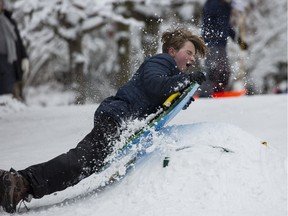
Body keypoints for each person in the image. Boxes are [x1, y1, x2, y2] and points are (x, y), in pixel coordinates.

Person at [0, 27, 207, 213]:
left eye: (194, 57)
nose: (191, 59)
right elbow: (156, 85)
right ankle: (20, 182)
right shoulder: (161, 62)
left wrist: (185, 92)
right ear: (172, 51)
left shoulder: (170, 73)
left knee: (86, 163)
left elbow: (164, 98)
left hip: (119, 118)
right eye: (188, 53)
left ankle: (20, 184)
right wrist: (186, 80)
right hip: (117, 116)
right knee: (82, 161)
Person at [198, 0, 248, 97]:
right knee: (212, 70)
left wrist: (239, 41)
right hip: (211, 42)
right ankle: (205, 94)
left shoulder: (225, 7)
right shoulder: (213, 4)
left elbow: (226, 27)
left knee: (224, 71)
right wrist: (228, 6)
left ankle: (218, 92)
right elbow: (211, 18)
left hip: (221, 44)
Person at [0, 0, 29, 101]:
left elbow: (18, 41)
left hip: (9, 59)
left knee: (8, 87)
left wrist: (24, 57)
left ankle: (6, 106)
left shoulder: (9, 20)